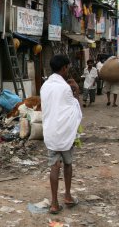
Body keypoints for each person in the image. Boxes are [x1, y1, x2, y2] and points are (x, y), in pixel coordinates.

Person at [40, 54, 82, 214]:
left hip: (50, 132)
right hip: (65, 133)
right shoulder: (65, 87)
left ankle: (54, 203)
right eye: (68, 68)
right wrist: (76, 90)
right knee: (68, 164)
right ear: (64, 68)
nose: (68, 70)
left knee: (54, 166)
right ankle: (68, 196)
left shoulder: (45, 86)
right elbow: (75, 109)